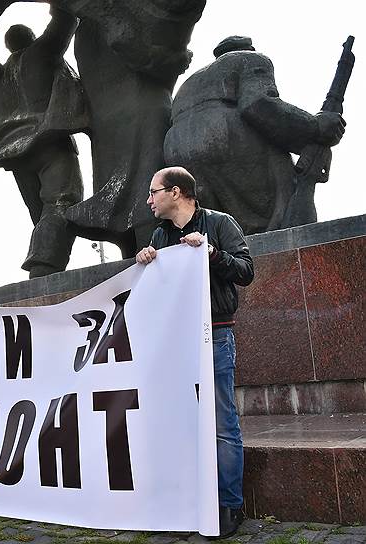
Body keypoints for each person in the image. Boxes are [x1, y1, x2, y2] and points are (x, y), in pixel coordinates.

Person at [135, 167, 254, 539]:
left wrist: (212, 253)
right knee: (178, 421)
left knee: (221, 423)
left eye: (153, 192)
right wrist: (147, 265)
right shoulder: (160, 234)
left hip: (215, 335)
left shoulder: (219, 224)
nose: (149, 200)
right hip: (177, 340)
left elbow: (246, 271)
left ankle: (230, 505)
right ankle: (187, 501)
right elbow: (162, 287)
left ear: (175, 192)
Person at [0, 6, 84, 278]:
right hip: (49, 141)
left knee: (42, 215)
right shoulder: (42, 53)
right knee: (61, 203)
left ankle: (45, 265)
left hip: (15, 156)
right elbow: (65, 19)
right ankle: (43, 268)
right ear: (33, 38)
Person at [164, 36, 346, 234]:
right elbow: (257, 103)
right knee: (282, 210)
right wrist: (315, 127)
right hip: (224, 133)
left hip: (175, 148)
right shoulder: (251, 58)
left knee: (219, 229)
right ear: (250, 48)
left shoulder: (189, 82)